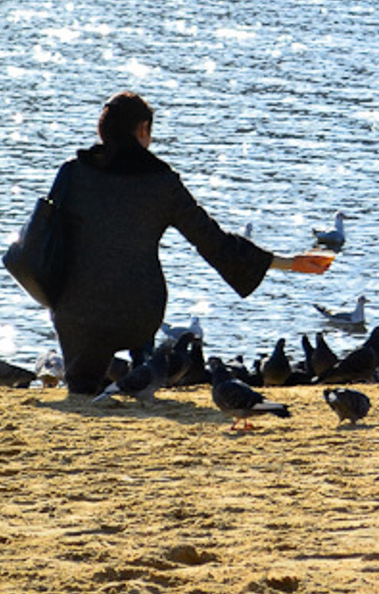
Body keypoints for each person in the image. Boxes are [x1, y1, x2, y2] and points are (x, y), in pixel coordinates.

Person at [48, 92, 332, 395]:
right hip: (137, 309)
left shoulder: (72, 171)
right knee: (134, 299)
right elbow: (213, 242)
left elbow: (45, 235)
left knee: (81, 384)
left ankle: (84, 383)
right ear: (143, 128)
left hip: (76, 309)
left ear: (101, 130)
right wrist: (288, 263)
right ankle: (143, 370)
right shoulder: (162, 182)